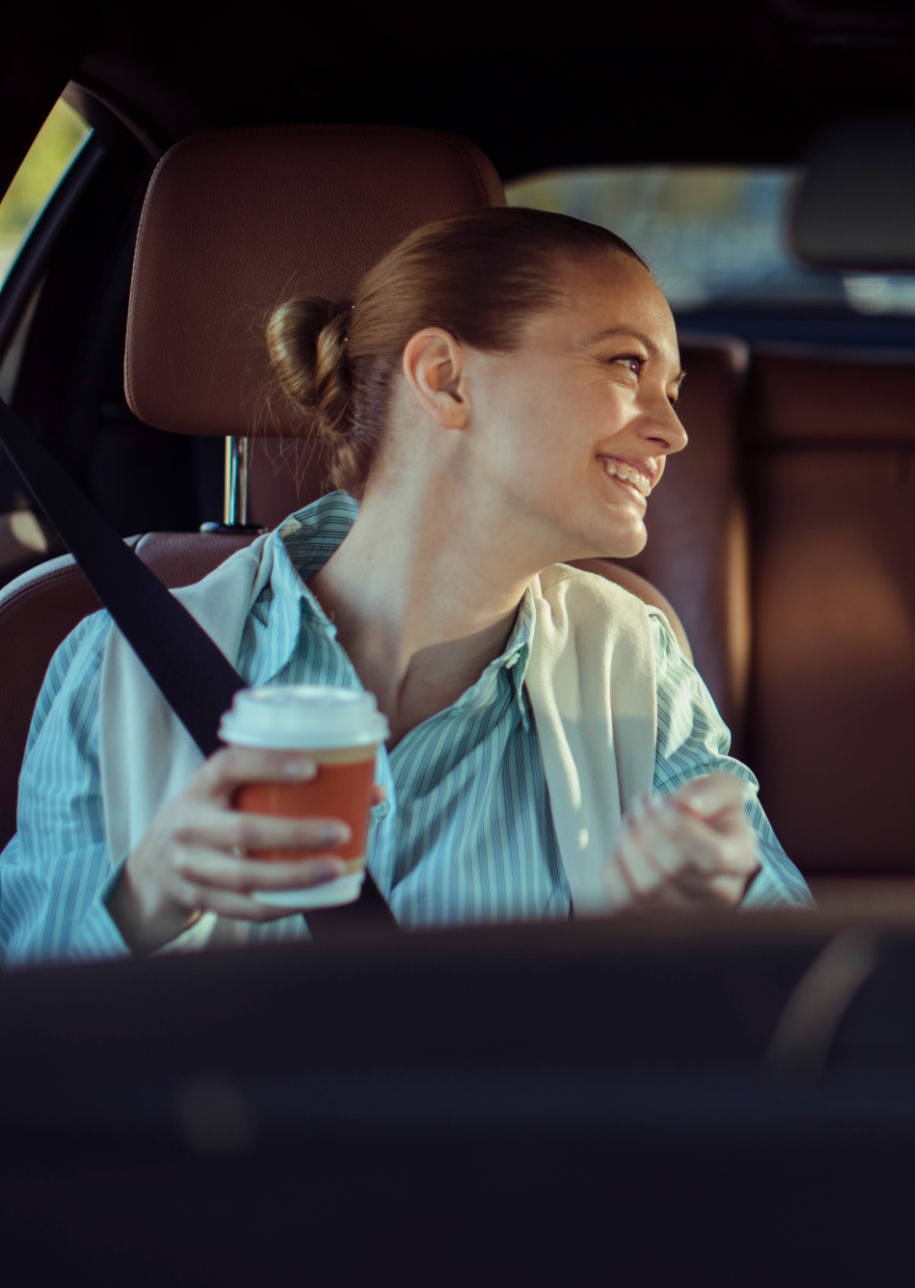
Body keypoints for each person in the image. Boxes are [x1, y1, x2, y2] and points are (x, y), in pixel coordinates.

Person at [3, 208, 809, 962]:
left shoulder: (636, 670)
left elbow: (790, 985)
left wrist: (702, 942)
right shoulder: (117, 666)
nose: (673, 431)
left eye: (670, 391)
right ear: (446, 378)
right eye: (626, 363)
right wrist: (147, 899)